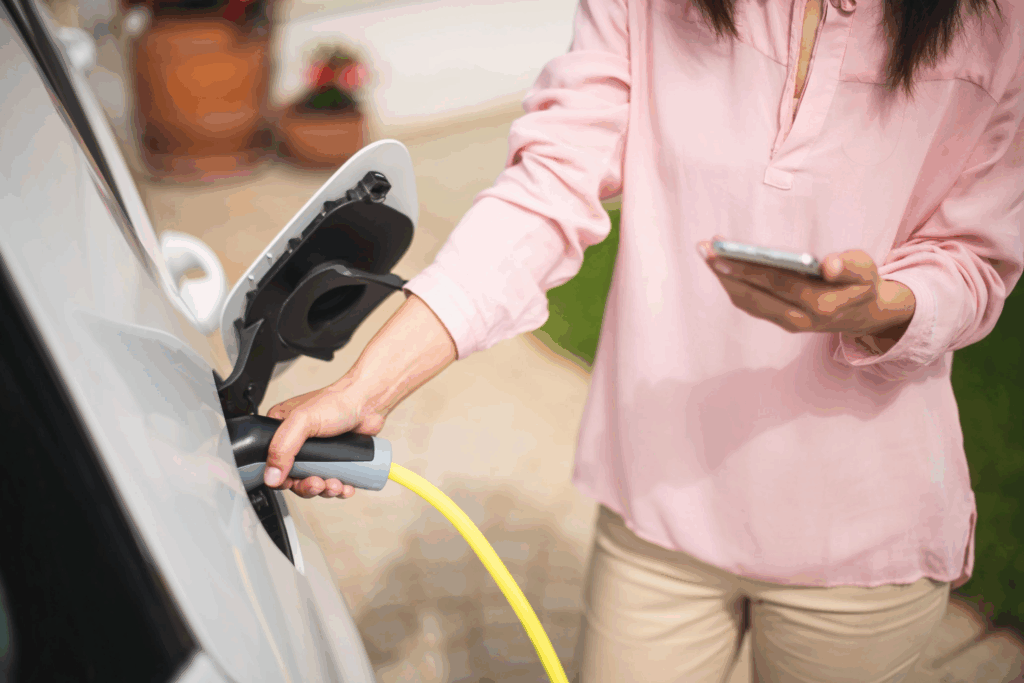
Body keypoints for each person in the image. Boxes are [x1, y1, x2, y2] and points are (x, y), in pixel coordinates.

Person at [261, 0, 1024, 679]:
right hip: (660, 501)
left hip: (864, 536)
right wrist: (364, 389)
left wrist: (882, 306)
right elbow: (545, 194)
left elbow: (975, 259)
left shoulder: (1001, 23)